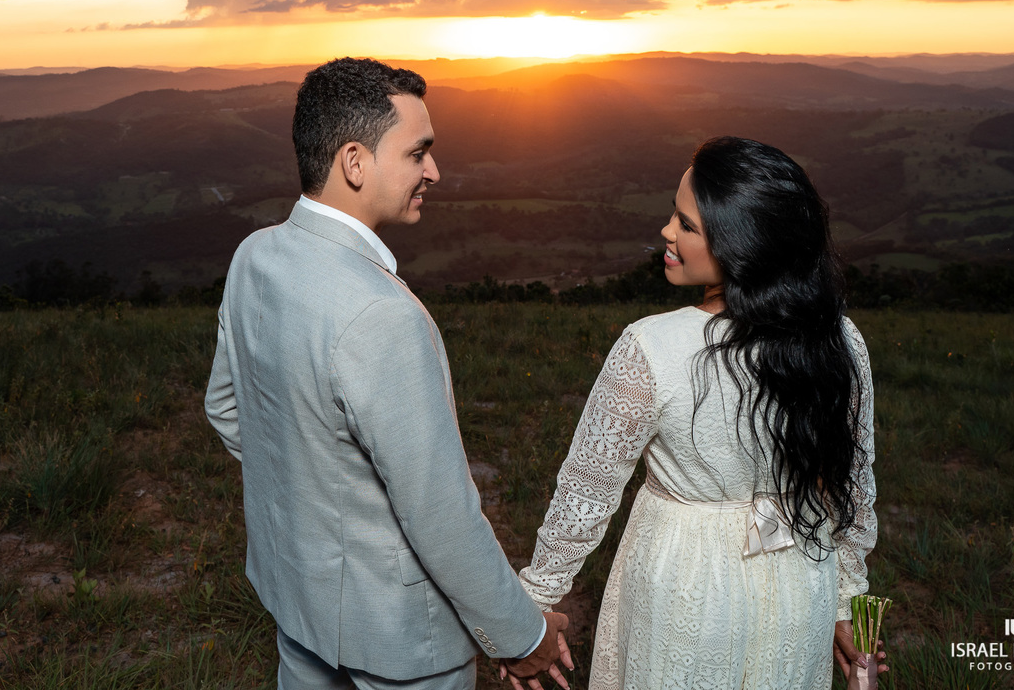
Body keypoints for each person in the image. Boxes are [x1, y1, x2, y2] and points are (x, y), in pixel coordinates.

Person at [204, 57, 571, 690]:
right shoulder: (384, 316)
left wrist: (314, 500)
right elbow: (440, 517)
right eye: (418, 153)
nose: (434, 170)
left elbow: (226, 409)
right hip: (403, 641)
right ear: (354, 161)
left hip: (296, 601)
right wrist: (522, 636)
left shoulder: (254, 255)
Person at [514, 136, 885, 689]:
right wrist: (847, 599)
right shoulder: (839, 340)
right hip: (801, 577)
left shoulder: (650, 348)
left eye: (687, 225)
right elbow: (849, 486)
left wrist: (530, 610)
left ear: (744, 243)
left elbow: (586, 494)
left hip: (683, 586)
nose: (666, 230)